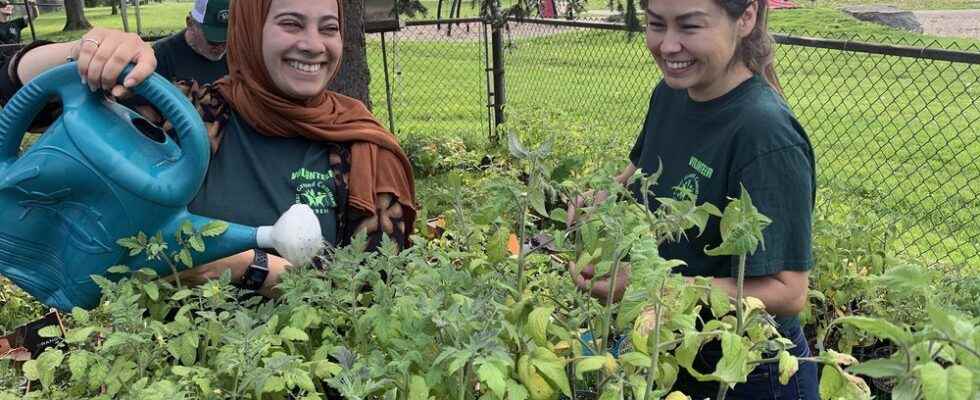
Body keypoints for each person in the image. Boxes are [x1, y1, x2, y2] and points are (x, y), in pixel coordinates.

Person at [0, 0, 416, 298]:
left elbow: (374, 297)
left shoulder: (362, 146)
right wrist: (84, 53)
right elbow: (24, 99)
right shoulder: (190, 116)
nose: (313, 44)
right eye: (291, 23)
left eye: (329, 27)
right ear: (249, 30)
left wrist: (244, 271)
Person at [566, 0, 818, 399]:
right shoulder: (671, 94)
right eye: (655, 24)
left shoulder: (764, 135)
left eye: (689, 26)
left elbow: (788, 293)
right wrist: (599, 201)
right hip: (673, 350)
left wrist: (653, 289)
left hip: (747, 370)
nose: (667, 46)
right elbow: (638, 171)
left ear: (746, 18)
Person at [152, 0, 230, 85]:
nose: (221, 47)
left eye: (227, 40)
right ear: (190, 23)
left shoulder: (238, 54)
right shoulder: (162, 57)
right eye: (213, 41)